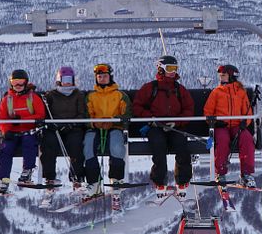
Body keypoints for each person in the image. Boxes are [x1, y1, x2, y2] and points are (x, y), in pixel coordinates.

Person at [133, 55, 195, 198]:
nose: (173, 72)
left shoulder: (179, 89)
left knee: (181, 144)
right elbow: (137, 106)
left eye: (175, 68)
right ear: (161, 69)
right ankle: (159, 180)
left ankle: (183, 180)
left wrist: (177, 121)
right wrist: (151, 119)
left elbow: (189, 109)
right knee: (158, 145)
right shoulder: (150, 88)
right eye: (170, 68)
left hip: (174, 125)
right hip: (156, 126)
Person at [83, 63, 132, 210]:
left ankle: (116, 179)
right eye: (100, 77)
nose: (102, 79)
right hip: (96, 128)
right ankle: (94, 182)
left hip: (114, 127)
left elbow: (127, 114)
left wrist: (115, 120)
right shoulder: (91, 96)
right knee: (88, 146)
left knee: (117, 146)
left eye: (105, 76)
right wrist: (94, 123)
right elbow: (86, 115)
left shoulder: (119, 95)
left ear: (110, 77)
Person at [38, 66, 87, 207]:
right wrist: (51, 124)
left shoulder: (78, 94)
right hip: (55, 129)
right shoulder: (51, 95)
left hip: (73, 128)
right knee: (48, 145)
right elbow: (45, 114)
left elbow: (82, 113)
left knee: (76, 146)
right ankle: (50, 179)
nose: (67, 83)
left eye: (70, 80)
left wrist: (72, 124)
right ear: (59, 80)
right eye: (65, 80)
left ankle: (76, 180)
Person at [202, 64, 256, 188]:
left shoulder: (241, 92)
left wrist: (245, 122)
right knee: (222, 140)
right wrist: (215, 122)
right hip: (222, 126)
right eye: (220, 76)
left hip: (237, 125)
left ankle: (246, 174)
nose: (221, 78)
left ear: (231, 76)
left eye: (224, 75)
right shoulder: (216, 92)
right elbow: (208, 111)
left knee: (247, 139)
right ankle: (220, 173)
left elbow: (247, 112)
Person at [0, 69, 46, 194]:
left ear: (26, 82)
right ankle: (3, 179)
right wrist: (6, 130)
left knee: (29, 144)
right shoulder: (7, 99)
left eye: (20, 82)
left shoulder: (33, 98)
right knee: (5, 149)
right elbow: (1, 118)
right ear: (11, 83)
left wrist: (23, 119)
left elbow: (40, 115)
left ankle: (27, 171)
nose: (17, 85)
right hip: (12, 132)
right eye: (14, 82)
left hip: (29, 130)